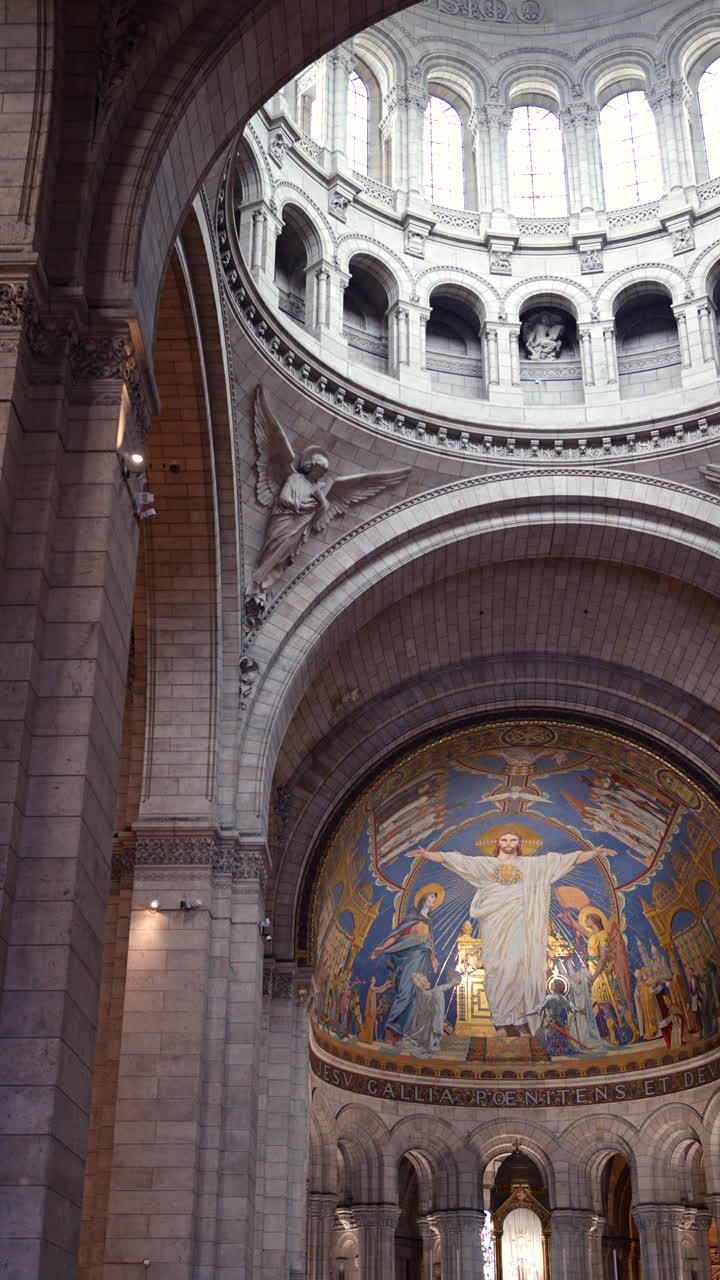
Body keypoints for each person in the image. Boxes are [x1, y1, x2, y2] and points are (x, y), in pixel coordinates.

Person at [407, 832, 617, 1037]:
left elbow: (565, 860)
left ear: (519, 843)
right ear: (498, 842)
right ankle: (500, 1022)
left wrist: (593, 853)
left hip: (520, 925)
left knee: (519, 968)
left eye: (513, 840)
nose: (509, 843)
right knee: (497, 970)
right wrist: (428, 855)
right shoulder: (485, 865)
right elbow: (457, 860)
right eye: (504, 839)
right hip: (494, 926)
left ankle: (521, 1021)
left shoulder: (532, 865)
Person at [371, 886, 442, 1043]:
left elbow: (430, 941)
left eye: (435, 899)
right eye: (431, 897)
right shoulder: (412, 918)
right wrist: (383, 947)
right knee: (405, 992)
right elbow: (397, 935)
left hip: (422, 961)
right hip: (410, 959)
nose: (433, 901)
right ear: (424, 898)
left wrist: (434, 959)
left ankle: (403, 1032)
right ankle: (391, 1028)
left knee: (416, 996)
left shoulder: (429, 922)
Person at [398, 971, 462, 1058]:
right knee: (429, 1034)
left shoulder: (420, 992)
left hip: (424, 1020)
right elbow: (437, 991)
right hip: (426, 1023)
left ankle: (430, 1043)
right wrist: (451, 984)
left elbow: (435, 991)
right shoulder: (425, 993)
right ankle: (429, 1045)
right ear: (422, 981)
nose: (426, 978)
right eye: (424, 977)